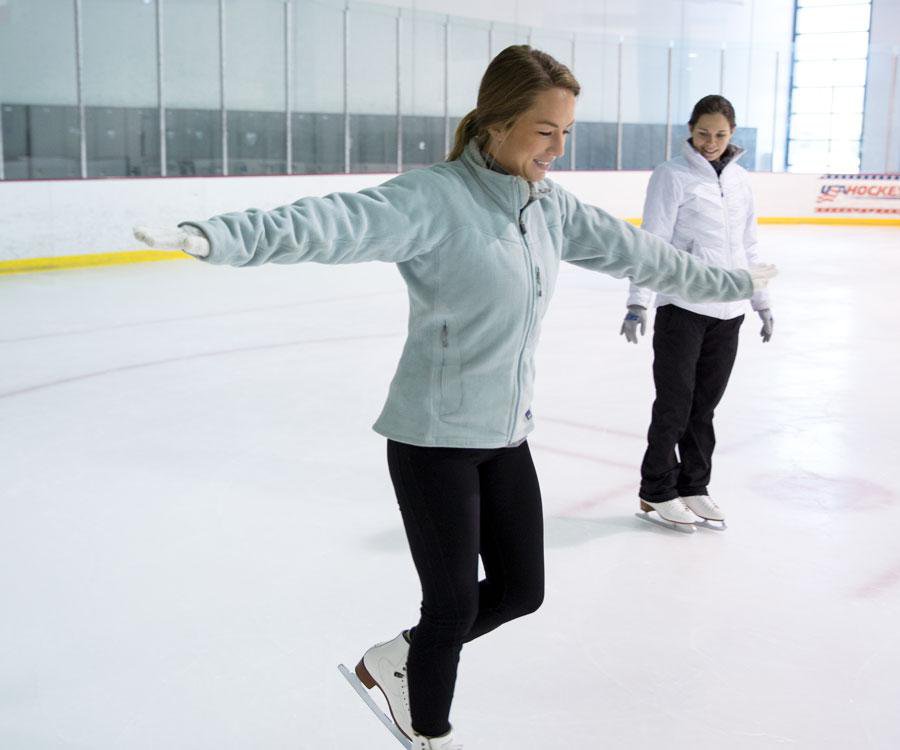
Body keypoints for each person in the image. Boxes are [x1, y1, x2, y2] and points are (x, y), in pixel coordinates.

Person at [135, 50, 776, 749]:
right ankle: (429, 730)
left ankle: (396, 660)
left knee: (520, 591)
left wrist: (732, 283)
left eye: (565, 132)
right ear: (497, 122)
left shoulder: (549, 207)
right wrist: (218, 237)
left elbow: (645, 256)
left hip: (505, 437)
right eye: (544, 131)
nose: (558, 149)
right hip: (432, 439)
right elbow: (333, 221)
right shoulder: (435, 198)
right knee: (449, 607)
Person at [621, 94, 774, 530]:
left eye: (720, 134)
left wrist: (760, 302)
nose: (710, 142)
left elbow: (750, 246)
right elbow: (652, 242)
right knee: (674, 403)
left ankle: (693, 486)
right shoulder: (672, 176)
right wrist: (638, 301)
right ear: (691, 129)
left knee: (704, 407)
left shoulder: (741, 180)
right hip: (683, 307)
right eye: (703, 133)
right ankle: (656, 490)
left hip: (729, 312)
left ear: (733, 134)